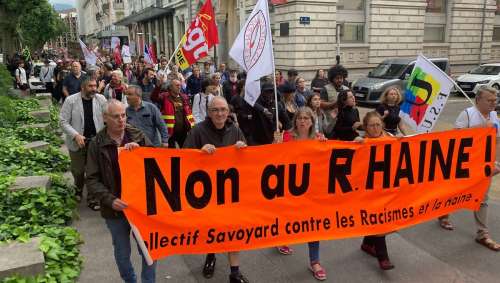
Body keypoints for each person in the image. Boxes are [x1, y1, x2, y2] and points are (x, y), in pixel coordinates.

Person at [86, 99, 157, 283]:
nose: (121, 120)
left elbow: (157, 163)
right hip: (115, 210)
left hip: (141, 206)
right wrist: (110, 200)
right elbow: (92, 180)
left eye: (123, 115)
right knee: (122, 253)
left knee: (149, 250)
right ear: (105, 118)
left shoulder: (137, 135)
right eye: (116, 116)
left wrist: (141, 151)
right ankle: (130, 280)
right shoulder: (97, 143)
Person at [183, 96, 249, 283]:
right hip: (206, 192)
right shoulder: (198, 131)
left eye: (223, 110)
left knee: (233, 230)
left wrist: (243, 148)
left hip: (230, 192)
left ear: (228, 112)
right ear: (209, 112)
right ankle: (211, 255)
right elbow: (184, 158)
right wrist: (199, 153)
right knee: (211, 229)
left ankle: (235, 272)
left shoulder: (235, 130)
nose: (219, 113)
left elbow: (248, 160)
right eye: (215, 110)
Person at [437, 86, 500, 251]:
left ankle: (482, 234)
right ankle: (443, 213)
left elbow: (497, 140)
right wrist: (481, 129)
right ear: (478, 100)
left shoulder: (494, 115)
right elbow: (456, 137)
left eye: (495, 100)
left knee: (482, 198)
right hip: (465, 164)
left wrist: (495, 162)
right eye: (490, 100)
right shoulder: (467, 114)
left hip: (484, 165)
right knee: (455, 192)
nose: (494, 103)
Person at [273, 107, 327, 281]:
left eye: (306, 118)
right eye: (299, 118)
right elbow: (272, 159)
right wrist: (276, 144)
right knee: (288, 217)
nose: (302, 121)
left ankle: (315, 261)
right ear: (295, 121)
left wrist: (326, 146)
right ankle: (282, 239)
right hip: (289, 187)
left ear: (312, 121)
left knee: (313, 224)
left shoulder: (319, 139)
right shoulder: (287, 137)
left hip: (312, 189)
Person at [354, 111, 396, 270]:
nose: (375, 128)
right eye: (372, 125)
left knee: (379, 219)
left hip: (386, 189)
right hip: (368, 191)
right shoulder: (361, 141)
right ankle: (383, 258)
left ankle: (367, 243)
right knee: (379, 221)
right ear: (366, 127)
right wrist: (356, 143)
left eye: (378, 124)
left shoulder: (390, 139)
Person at [60, 76, 107, 210]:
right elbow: (63, 121)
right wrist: (75, 135)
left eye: (95, 86)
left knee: (93, 172)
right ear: (82, 88)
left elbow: (108, 116)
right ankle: (78, 189)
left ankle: (92, 199)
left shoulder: (100, 99)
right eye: (90, 86)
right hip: (77, 142)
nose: (94, 89)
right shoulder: (71, 100)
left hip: (95, 142)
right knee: (78, 171)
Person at [151, 79, 194, 148]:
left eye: (180, 85)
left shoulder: (184, 97)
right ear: (170, 87)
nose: (179, 87)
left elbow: (189, 113)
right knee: (171, 153)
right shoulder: (164, 96)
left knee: (185, 151)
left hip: (183, 131)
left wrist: (191, 127)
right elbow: (153, 98)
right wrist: (158, 87)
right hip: (170, 132)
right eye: (177, 85)